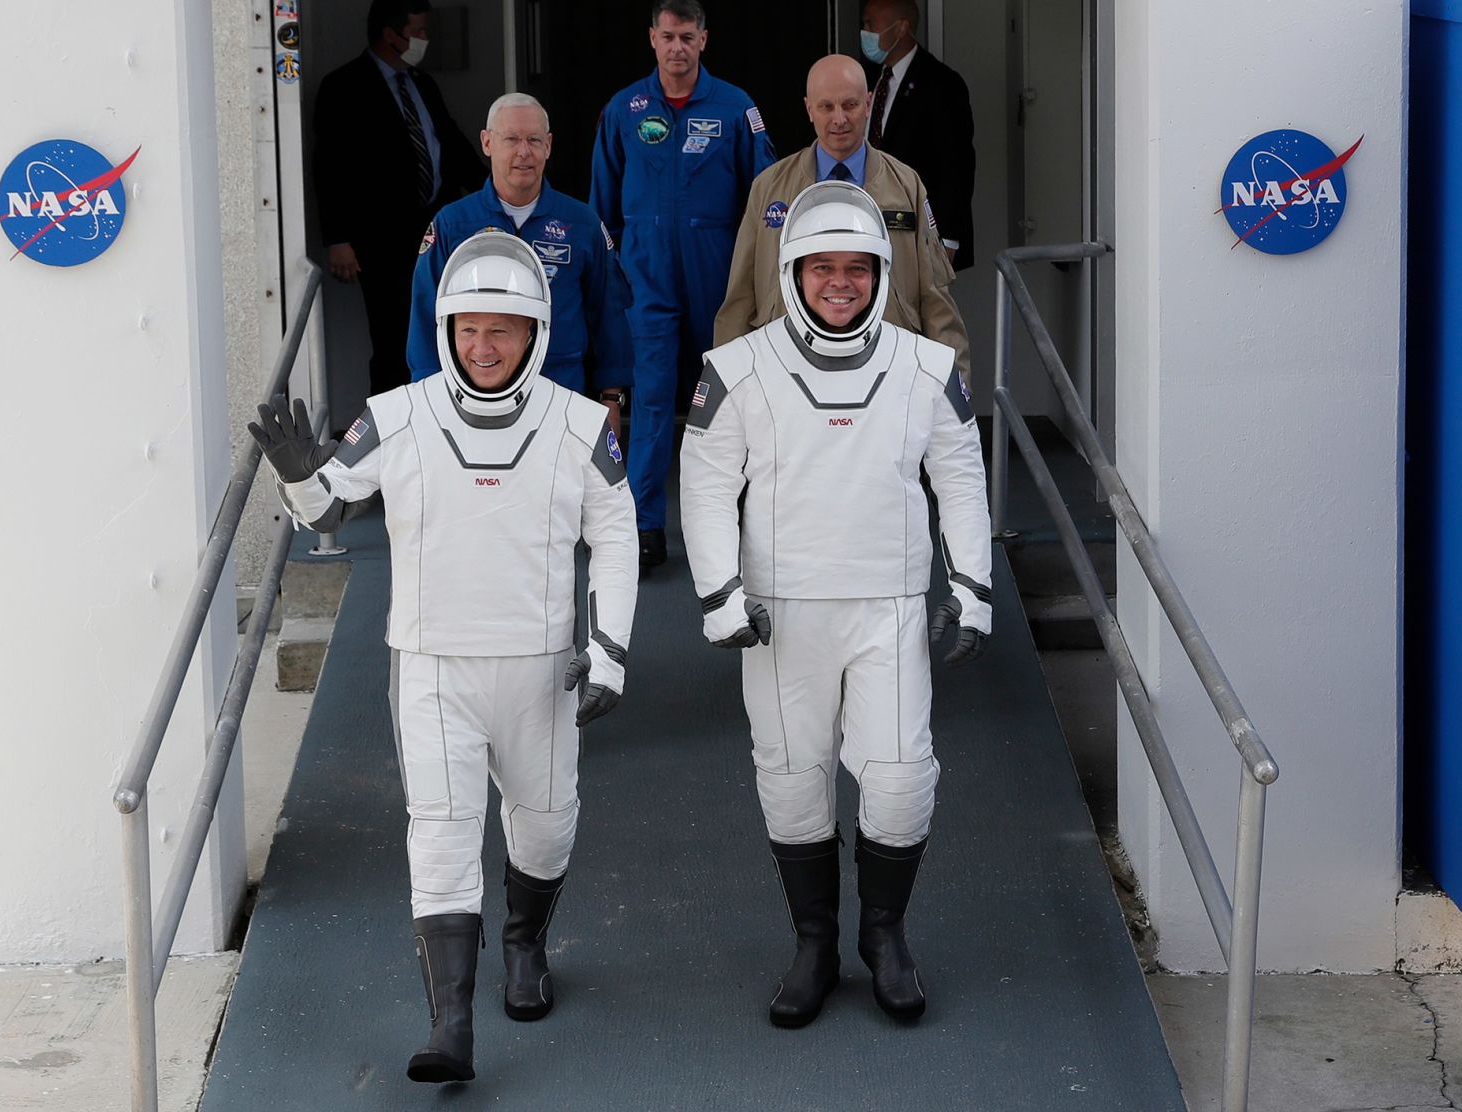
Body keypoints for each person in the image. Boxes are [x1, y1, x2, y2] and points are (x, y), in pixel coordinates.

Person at [249, 233, 638, 1084]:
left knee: (545, 821)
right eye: (468, 329)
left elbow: (616, 537)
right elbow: (326, 507)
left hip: (540, 668)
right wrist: (293, 472)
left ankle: (525, 941)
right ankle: (450, 1023)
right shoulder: (396, 415)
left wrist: (607, 652)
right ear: (445, 328)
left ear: (535, 331)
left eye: (502, 330)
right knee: (443, 833)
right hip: (429, 666)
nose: (483, 347)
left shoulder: (580, 425)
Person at [680, 181, 991, 1029]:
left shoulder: (927, 367)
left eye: (859, 268)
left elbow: (960, 476)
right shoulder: (736, 369)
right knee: (792, 782)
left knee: (898, 781)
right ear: (793, 271)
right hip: (781, 615)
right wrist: (720, 593)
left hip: (888, 606)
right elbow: (706, 487)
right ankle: (813, 942)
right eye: (824, 268)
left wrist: (972, 587)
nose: (841, 284)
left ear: (884, 273)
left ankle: (883, 934)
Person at [590, 0, 774, 570]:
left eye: (687, 37)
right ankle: (646, 528)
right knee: (648, 401)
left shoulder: (736, 107)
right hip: (647, 282)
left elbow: (764, 196)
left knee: (727, 404)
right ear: (651, 38)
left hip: (718, 281)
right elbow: (602, 206)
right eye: (667, 36)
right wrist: (620, 270)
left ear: (703, 40)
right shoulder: (625, 109)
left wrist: (754, 276)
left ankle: (735, 525)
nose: (677, 48)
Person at [713, 54, 971, 387]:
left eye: (849, 105)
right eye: (826, 107)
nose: (839, 119)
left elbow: (936, 300)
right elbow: (740, 298)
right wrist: (724, 387)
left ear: (868, 103)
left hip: (889, 371)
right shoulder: (770, 187)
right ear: (808, 109)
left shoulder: (905, 185)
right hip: (786, 371)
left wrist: (956, 388)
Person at [409, 94, 634, 440]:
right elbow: (427, 318)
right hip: (471, 402)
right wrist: (428, 403)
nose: (523, 152)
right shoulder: (453, 225)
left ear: (548, 146)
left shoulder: (582, 225)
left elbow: (609, 317)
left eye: (533, 140)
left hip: (561, 395)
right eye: (511, 139)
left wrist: (611, 399)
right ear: (487, 143)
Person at [312, 0, 484, 397]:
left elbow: (452, 147)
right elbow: (330, 167)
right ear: (391, 34)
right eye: (419, 32)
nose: (426, 40)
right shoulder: (345, 86)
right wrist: (337, 238)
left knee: (444, 334)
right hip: (381, 239)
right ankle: (390, 441)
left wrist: (494, 195)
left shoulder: (422, 83)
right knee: (392, 341)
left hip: (437, 232)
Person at [861, 0, 976, 271]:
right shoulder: (869, 76)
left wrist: (947, 240)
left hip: (918, 236)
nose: (865, 32)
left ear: (901, 28)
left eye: (870, 25)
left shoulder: (941, 84)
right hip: (869, 228)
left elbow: (955, 167)